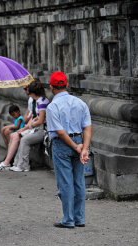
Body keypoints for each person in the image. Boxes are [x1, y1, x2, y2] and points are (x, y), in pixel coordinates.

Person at [46, 71, 92, 229]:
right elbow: (87, 127)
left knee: (65, 183)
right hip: (79, 140)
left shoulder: (53, 106)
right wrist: (84, 148)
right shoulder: (80, 103)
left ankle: (68, 219)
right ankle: (80, 218)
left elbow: (59, 132)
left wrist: (75, 146)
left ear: (52, 87)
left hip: (63, 144)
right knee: (79, 181)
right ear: (66, 85)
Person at [0, 80, 49, 171]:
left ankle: (22, 165)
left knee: (24, 140)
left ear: (33, 93)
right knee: (14, 135)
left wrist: (31, 125)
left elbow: (40, 120)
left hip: (41, 130)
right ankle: (14, 163)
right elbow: (34, 117)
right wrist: (26, 127)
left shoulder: (41, 102)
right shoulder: (38, 101)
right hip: (35, 128)